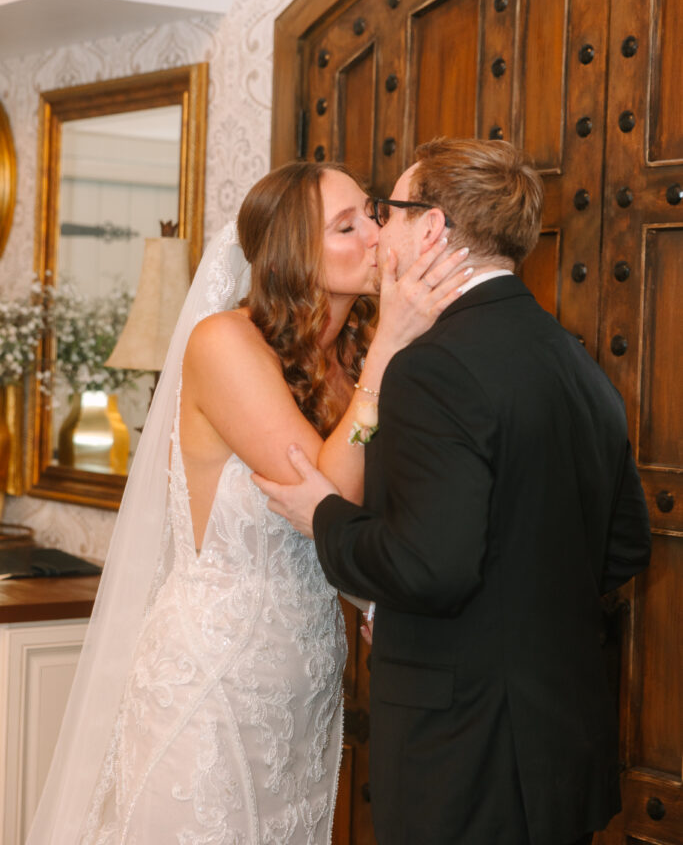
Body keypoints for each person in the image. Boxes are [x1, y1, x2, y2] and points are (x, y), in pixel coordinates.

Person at [26, 160, 474, 845]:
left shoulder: (347, 366)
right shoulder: (224, 343)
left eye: (375, 216)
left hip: (306, 676)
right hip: (217, 673)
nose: (377, 237)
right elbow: (330, 493)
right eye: (347, 225)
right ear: (294, 250)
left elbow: (372, 521)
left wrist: (378, 600)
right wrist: (390, 344)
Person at [255, 138, 652, 845]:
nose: (380, 233)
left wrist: (323, 514)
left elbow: (427, 567)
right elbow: (620, 549)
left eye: (390, 211)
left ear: (430, 227)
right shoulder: (576, 362)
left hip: (464, 749)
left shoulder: (431, 368)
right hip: (561, 744)